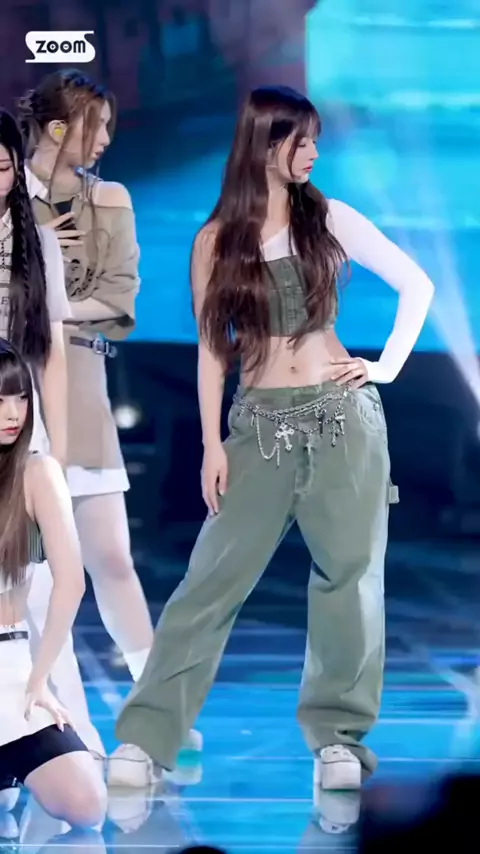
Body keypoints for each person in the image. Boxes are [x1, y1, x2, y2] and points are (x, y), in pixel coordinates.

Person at [115, 86, 435, 791]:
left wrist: (384, 367)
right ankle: (147, 738)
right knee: (207, 584)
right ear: (264, 143)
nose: (313, 152)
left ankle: (338, 741)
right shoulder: (215, 240)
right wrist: (211, 443)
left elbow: (417, 285)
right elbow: (211, 350)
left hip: (341, 419)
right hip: (256, 426)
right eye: (301, 140)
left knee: (350, 581)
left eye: (316, 139)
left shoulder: (331, 219)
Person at [16, 69, 201, 788]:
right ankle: (45, 721)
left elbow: (120, 301)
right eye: (95, 127)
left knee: (111, 558)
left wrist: (53, 307)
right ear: (57, 126)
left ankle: (158, 712)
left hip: (83, 389)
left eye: (110, 128)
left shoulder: (110, 199)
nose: (104, 141)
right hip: (14, 389)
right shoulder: (10, 198)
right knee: (28, 574)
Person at [0, 338, 106, 827]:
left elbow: (72, 581)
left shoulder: (36, 472)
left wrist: (40, 678)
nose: (13, 413)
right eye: (0, 399)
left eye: (21, 397)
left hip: (10, 664)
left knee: (86, 805)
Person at [0, 108, 71, 811]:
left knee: (41, 588)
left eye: (0, 166)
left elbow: (51, 353)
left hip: (17, 419)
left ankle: (35, 720)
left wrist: (59, 450)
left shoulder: (37, 242)